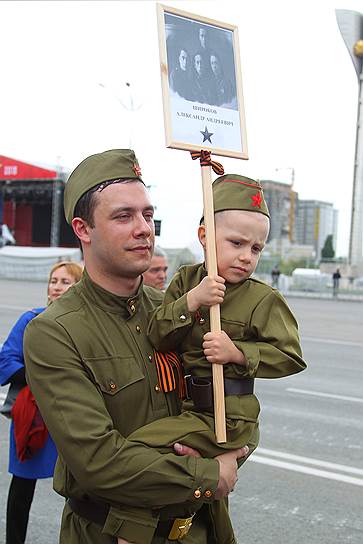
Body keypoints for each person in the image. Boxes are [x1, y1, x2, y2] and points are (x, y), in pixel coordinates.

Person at [23, 149, 248, 544]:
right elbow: (99, 460)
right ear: (83, 228)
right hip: (108, 533)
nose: (144, 228)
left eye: (147, 214)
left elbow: (233, 405)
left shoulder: (178, 312)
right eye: (123, 216)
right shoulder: (55, 332)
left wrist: (234, 451)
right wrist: (211, 473)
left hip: (200, 529)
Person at [111, 174, 307, 543]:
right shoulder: (187, 281)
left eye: (257, 248)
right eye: (236, 243)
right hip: (188, 407)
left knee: (138, 449)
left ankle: (129, 533)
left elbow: (291, 356)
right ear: (204, 237)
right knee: (196, 489)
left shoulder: (262, 299)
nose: (247, 257)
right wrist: (192, 302)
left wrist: (237, 352)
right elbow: (156, 334)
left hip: (227, 416)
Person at [0, 260, 83, 544]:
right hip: (34, 416)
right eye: (54, 281)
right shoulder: (30, 319)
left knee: (82, 490)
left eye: (66, 282)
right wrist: (37, 377)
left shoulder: (84, 325)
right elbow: (5, 361)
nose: (57, 287)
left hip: (74, 417)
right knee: (22, 486)